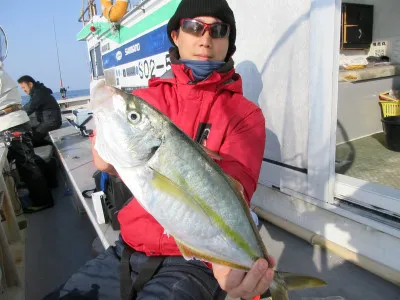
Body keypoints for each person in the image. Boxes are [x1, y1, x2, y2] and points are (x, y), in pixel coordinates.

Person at [45, 0, 275, 299]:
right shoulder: (146, 100)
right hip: (127, 248)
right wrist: (105, 155)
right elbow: (117, 156)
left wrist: (225, 260)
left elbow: (233, 192)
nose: (206, 39)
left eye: (218, 30)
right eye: (194, 27)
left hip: (197, 263)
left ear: (229, 43)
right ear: (176, 36)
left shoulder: (244, 115)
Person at [0, 61, 54, 213]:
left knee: (27, 165)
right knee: (28, 162)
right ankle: (44, 190)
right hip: (15, 122)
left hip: (10, 125)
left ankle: (44, 201)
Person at [17, 75, 62, 147]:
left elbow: (29, 108)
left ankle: (51, 149)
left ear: (30, 84)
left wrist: (16, 116)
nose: (24, 90)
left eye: (24, 87)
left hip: (51, 123)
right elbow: (29, 105)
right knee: (30, 132)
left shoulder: (39, 93)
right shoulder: (38, 91)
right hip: (49, 121)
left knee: (30, 139)